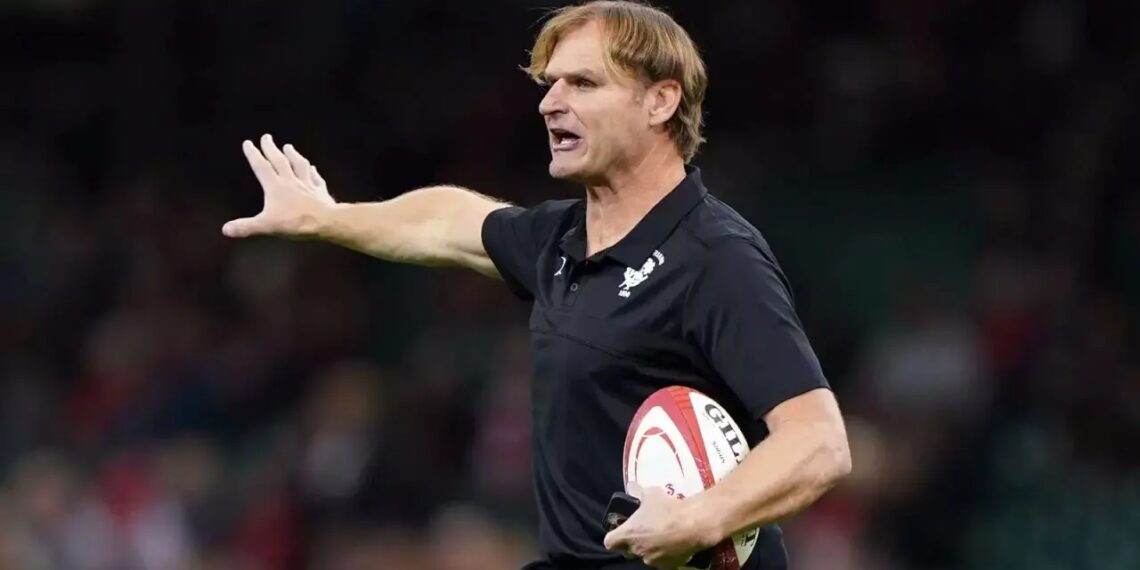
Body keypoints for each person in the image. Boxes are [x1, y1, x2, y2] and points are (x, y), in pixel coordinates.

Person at [222, 2, 851, 569]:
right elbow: (446, 221)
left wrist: (702, 518)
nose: (551, 102)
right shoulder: (563, 241)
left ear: (660, 101)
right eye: (550, 84)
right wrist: (329, 217)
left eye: (583, 83)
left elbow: (818, 443)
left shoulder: (715, 257)